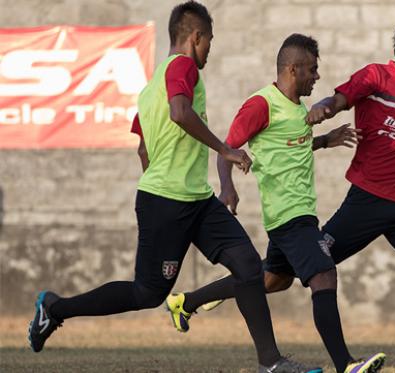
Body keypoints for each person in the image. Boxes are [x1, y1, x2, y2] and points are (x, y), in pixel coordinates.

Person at [165, 11, 395, 373]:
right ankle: (197, 300)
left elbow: (393, 137)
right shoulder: (374, 76)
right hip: (366, 204)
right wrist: (326, 107)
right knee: (283, 276)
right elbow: (342, 98)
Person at [28, 2, 319, 372]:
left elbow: (143, 147)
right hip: (168, 202)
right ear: (195, 37)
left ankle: (272, 363)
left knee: (247, 264)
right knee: (147, 293)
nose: (210, 49)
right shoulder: (183, 67)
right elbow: (180, 113)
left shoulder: (150, 88)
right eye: (209, 41)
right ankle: (54, 308)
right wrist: (225, 150)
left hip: (194, 199)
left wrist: (169, 178)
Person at [164, 33, 385, 373]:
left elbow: (290, 147)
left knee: (270, 281)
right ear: (293, 69)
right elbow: (227, 151)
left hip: (300, 216)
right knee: (324, 275)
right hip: (288, 217)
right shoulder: (261, 104)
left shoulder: (297, 108)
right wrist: (227, 188)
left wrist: (325, 140)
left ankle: (186, 302)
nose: (317, 77)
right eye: (312, 70)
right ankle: (346, 365)